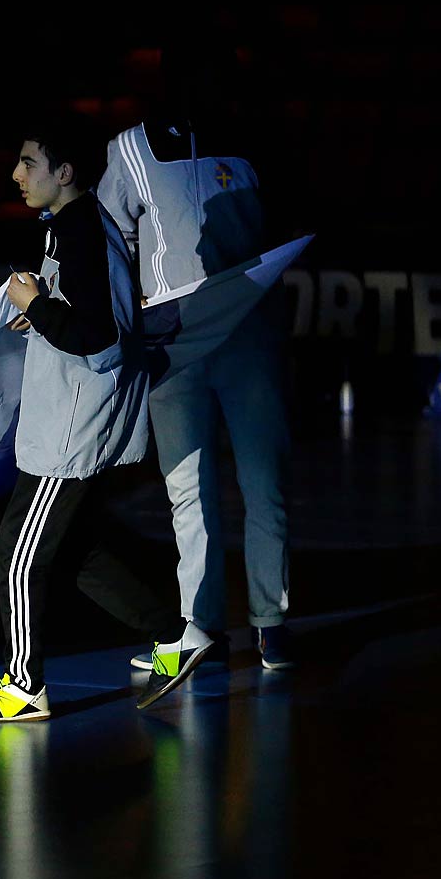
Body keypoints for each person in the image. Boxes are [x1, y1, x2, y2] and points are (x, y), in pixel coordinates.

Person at [0, 130, 207, 724]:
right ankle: (176, 637)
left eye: (28, 162)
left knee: (18, 551)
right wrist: (42, 315)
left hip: (72, 430)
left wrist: (38, 306)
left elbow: (101, 339)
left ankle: (24, 686)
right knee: (73, 550)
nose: (16, 173)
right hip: (74, 420)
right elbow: (94, 317)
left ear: (64, 172)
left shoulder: (84, 229)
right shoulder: (76, 224)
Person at [97, 42, 294, 671]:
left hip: (248, 342)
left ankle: (272, 622)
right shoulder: (128, 149)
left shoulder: (251, 143)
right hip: (173, 346)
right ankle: (199, 627)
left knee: (264, 485)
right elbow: (110, 242)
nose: (211, 93)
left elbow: (276, 233)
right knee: (190, 491)